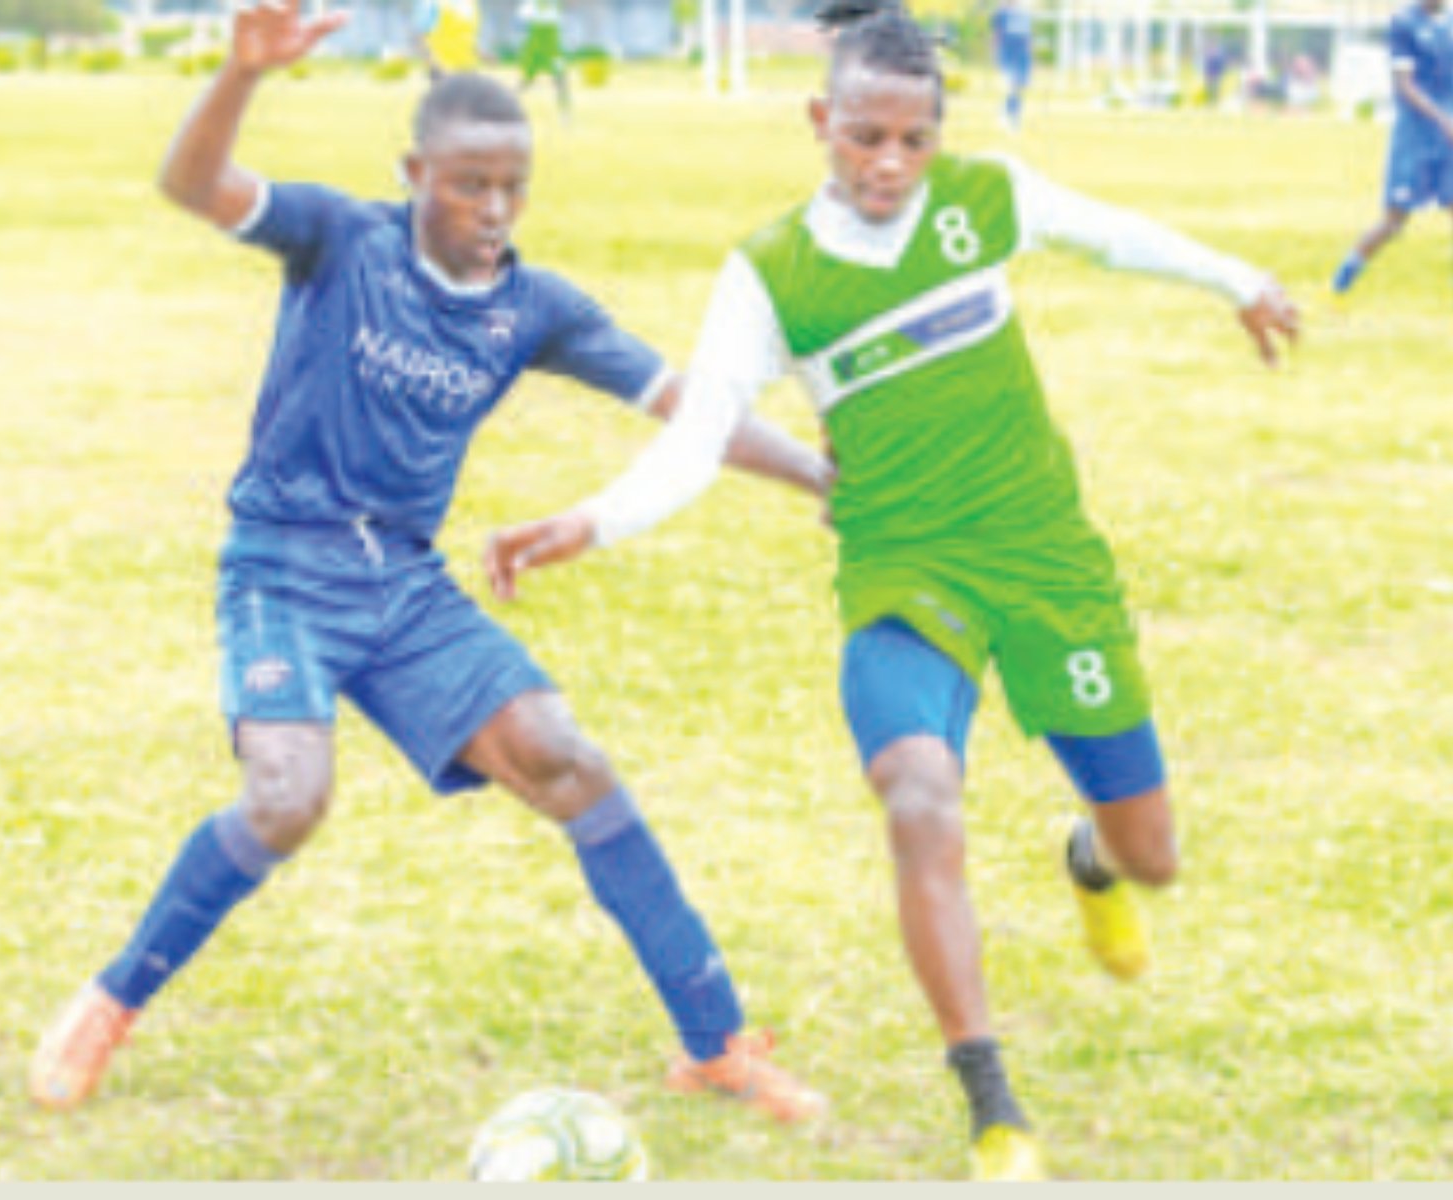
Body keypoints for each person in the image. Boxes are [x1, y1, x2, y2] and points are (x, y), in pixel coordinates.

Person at [485, 8, 1300, 1181]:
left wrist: (1239, 281)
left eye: (911, 141)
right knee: (920, 796)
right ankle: (991, 1103)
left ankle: (1093, 857)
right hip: (902, 576)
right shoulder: (769, 274)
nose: (887, 165)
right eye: (862, 136)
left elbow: (1110, 236)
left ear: (937, 134)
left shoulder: (983, 199)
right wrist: (589, 521)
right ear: (820, 121)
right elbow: (697, 436)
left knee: (1155, 854)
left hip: (1045, 563)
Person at [29, 0, 835, 1126]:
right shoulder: (338, 239)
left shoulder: (533, 307)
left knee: (566, 760)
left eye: (512, 186)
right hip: (283, 566)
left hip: (403, 587)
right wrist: (239, 74)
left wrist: (821, 477)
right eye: (468, 185)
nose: (493, 209)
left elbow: (688, 410)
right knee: (285, 798)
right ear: (414, 171)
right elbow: (191, 184)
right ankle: (111, 1002)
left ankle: (716, 1047)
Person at [1333, 0, 1453, 295]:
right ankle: (1343, 278)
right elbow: (1405, 85)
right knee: (1394, 221)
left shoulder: (1447, 23)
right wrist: (1441, 118)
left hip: (1447, 136)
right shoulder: (1404, 23)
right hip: (1415, 137)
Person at [516, 0, 569, 119]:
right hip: (536, 46)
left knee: (560, 79)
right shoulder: (532, 4)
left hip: (552, 48)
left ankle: (564, 113)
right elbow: (523, 18)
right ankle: (507, 107)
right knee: (526, 81)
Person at [990, 0, 1033, 132]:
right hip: (1007, 53)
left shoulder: (1024, 12)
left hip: (1022, 55)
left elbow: (1028, 36)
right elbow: (996, 34)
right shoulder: (1001, 13)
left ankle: (1010, 113)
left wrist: (1030, 53)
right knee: (1010, 86)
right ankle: (1010, 117)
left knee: (1018, 88)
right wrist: (995, 52)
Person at [413, 0, 482, 79]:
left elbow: (468, 36)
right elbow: (419, 38)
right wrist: (434, 67)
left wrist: (481, 56)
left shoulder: (472, 3)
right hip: (443, 72)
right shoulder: (432, 3)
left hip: (469, 70)